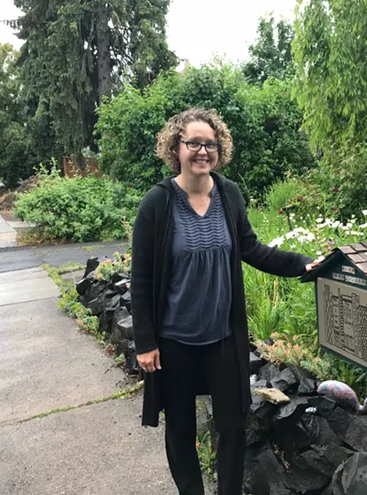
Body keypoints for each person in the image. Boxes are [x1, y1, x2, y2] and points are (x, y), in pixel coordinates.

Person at [131, 108, 319, 495]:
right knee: (180, 427)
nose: (203, 151)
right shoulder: (157, 204)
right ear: (176, 147)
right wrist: (145, 342)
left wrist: (303, 264)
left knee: (233, 425)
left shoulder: (229, 194)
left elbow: (252, 249)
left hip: (222, 337)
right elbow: (142, 277)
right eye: (194, 143)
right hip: (174, 341)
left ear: (220, 149)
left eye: (210, 144)